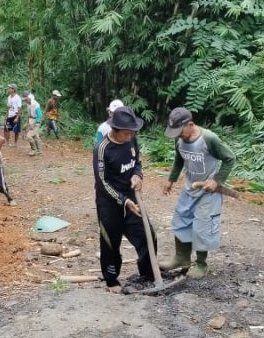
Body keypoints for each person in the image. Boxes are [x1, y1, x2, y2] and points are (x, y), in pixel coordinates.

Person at [161, 107, 236, 278]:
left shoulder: (209, 139)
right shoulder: (179, 139)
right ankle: (181, 258)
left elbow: (230, 158)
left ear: (191, 124)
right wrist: (171, 179)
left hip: (208, 191)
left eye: (180, 131)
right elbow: (179, 159)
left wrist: (216, 181)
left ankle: (201, 264)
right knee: (181, 220)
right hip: (190, 187)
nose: (178, 135)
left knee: (202, 226)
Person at [94, 106, 158, 293]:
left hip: (131, 197)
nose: (131, 135)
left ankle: (147, 274)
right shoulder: (102, 149)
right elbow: (102, 182)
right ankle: (112, 280)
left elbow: (137, 162)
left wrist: (138, 175)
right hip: (110, 202)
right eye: (127, 132)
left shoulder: (131, 140)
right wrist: (123, 200)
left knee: (148, 235)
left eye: (133, 132)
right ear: (116, 130)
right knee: (110, 242)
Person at [24, 92, 44, 156]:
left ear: (29, 98)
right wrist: (28, 123)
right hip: (31, 120)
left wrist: (35, 124)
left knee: (29, 136)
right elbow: (29, 114)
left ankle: (33, 150)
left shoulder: (36, 104)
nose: (25, 100)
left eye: (26, 99)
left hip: (36, 122)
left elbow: (40, 115)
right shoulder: (28, 104)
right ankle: (39, 150)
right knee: (35, 136)